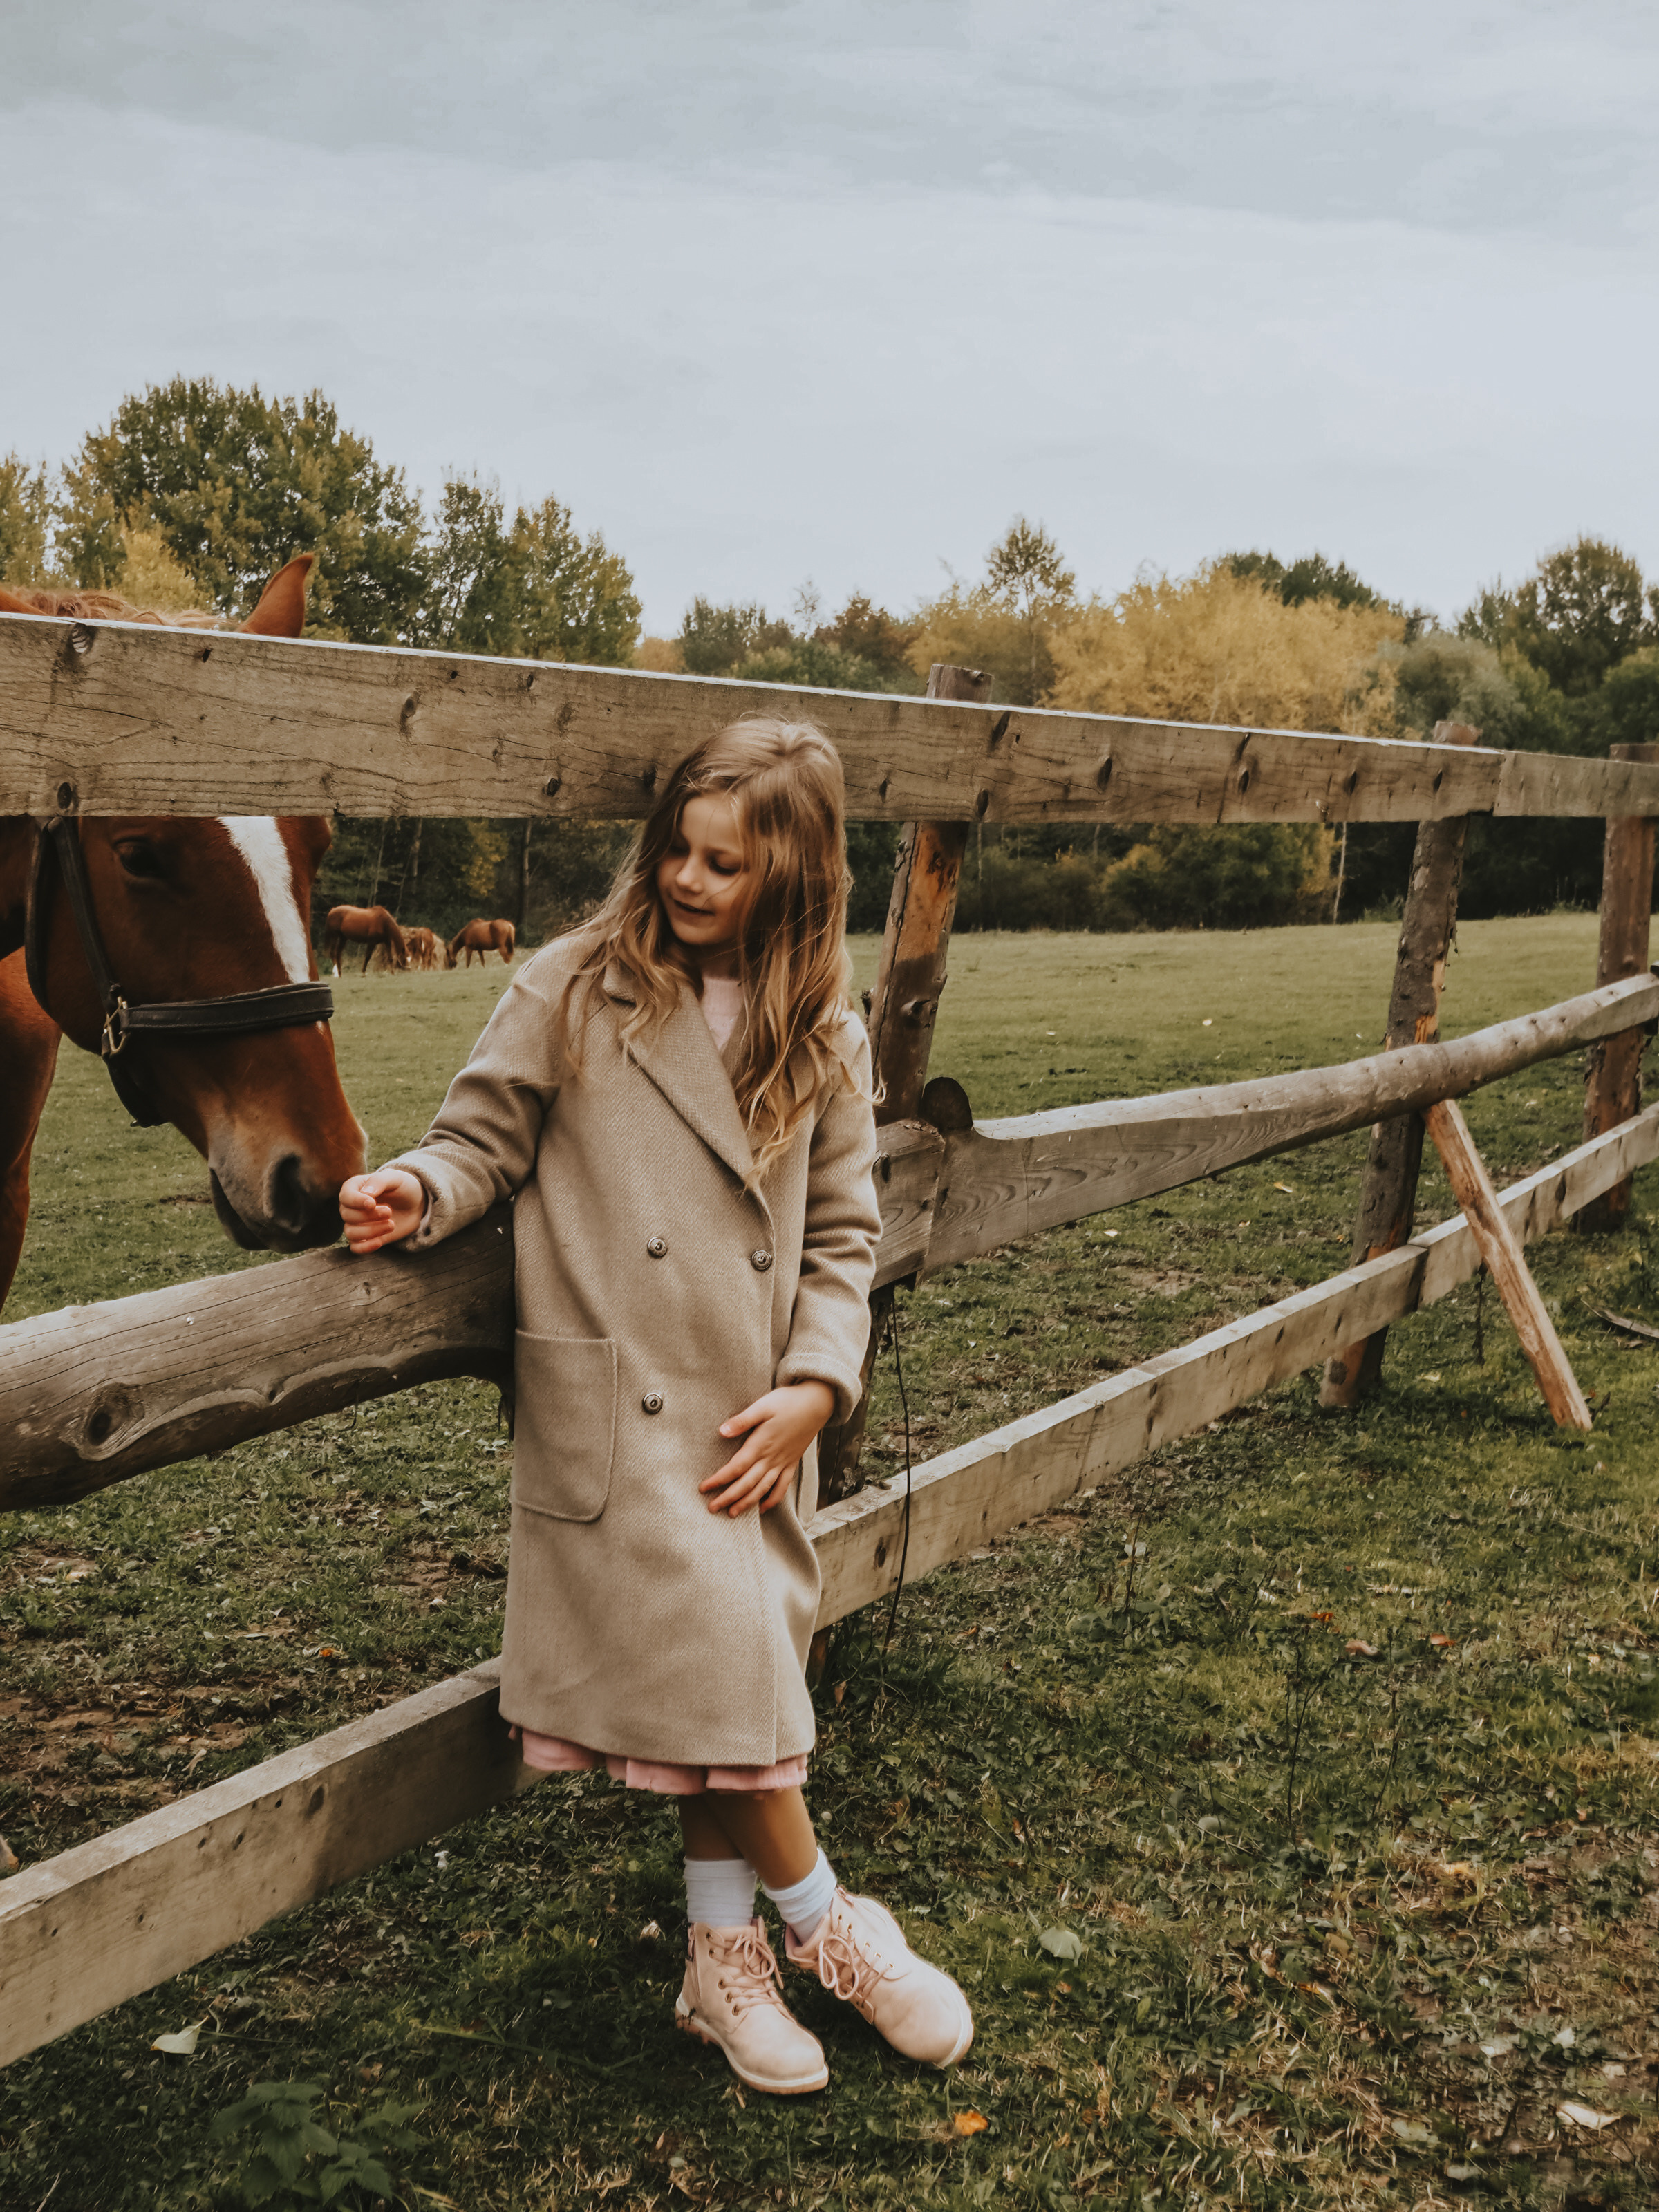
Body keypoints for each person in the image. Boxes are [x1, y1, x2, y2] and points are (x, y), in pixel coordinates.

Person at [339, 718, 973, 2096]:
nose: (686, 882)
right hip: (620, 1414)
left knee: (731, 1675)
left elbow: (845, 1240)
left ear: (792, 883)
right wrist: (418, 1188)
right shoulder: (574, 985)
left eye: (723, 865)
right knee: (732, 1673)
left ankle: (719, 1960)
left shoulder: (824, 1029)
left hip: (753, 1419)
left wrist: (819, 1382)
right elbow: (478, 1135)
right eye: (676, 852)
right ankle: (826, 1928)